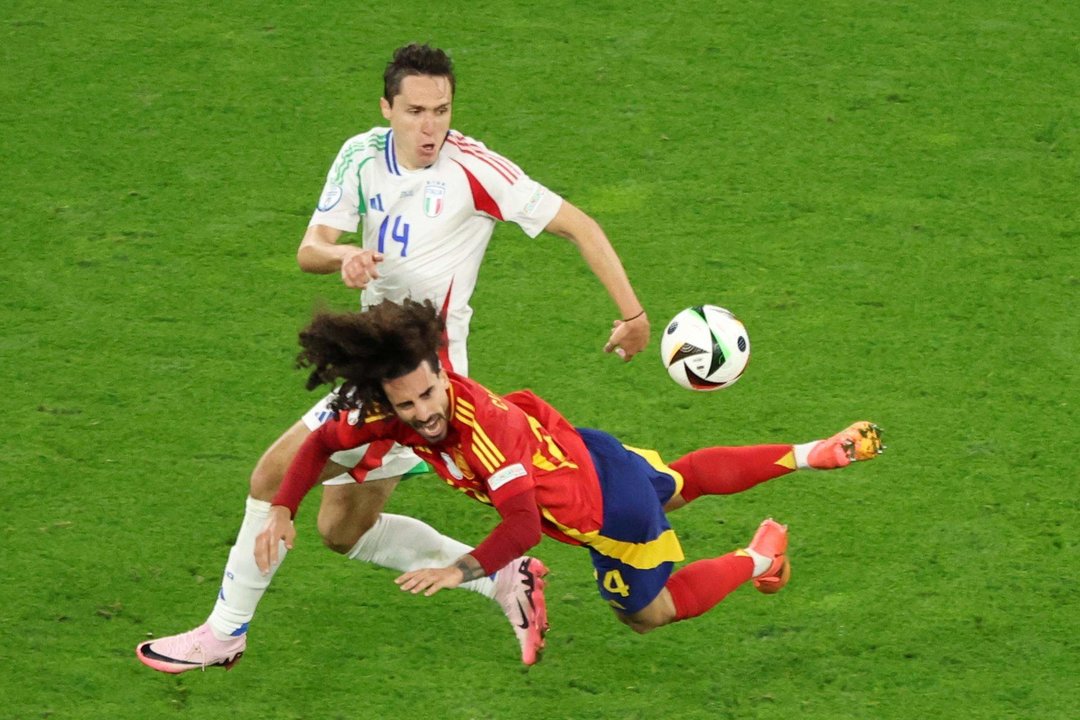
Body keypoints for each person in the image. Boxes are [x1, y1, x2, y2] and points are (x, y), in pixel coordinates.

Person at [136, 43, 650, 673]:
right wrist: (344, 257)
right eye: (415, 111)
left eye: (442, 110)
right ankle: (503, 576)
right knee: (340, 531)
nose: (431, 126)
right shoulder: (359, 156)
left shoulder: (475, 169)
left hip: (425, 383)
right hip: (374, 361)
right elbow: (310, 248)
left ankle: (224, 633)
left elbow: (582, 226)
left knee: (273, 477)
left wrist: (632, 315)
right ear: (387, 108)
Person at [255, 300, 884, 649]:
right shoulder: (400, 407)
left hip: (611, 520)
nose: (423, 414)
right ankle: (810, 452)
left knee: (647, 614)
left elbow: (524, 525)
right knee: (681, 480)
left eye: (429, 396)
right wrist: (284, 505)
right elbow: (322, 444)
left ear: (445, 377)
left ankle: (758, 558)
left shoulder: (483, 431)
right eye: (407, 404)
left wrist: (460, 569)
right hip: (589, 451)